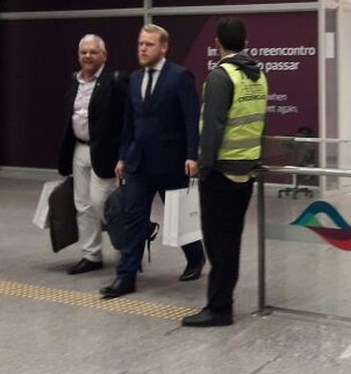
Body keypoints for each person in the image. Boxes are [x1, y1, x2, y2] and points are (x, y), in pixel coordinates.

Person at [100, 24, 205, 298]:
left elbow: (190, 119)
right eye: (140, 44)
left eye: (149, 44)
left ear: (164, 47)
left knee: (179, 218)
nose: (143, 49)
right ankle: (126, 277)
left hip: (171, 162)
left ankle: (196, 257)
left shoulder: (180, 77)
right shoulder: (134, 79)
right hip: (138, 163)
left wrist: (192, 155)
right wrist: (123, 155)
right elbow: (129, 122)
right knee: (133, 218)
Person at [182, 18, 268, 327]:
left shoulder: (221, 77)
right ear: (246, 41)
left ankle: (219, 309)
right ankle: (222, 303)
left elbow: (212, 130)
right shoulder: (258, 76)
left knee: (218, 244)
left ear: (218, 42)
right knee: (231, 241)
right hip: (246, 172)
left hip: (221, 173)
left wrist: (203, 169)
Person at [57, 34, 127, 275]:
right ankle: (91, 255)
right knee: (83, 206)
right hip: (79, 149)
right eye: (84, 52)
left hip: (106, 153)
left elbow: (126, 120)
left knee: (103, 204)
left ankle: (128, 251)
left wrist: (123, 155)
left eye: (93, 52)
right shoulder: (74, 81)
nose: (87, 56)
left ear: (104, 56)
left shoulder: (115, 81)